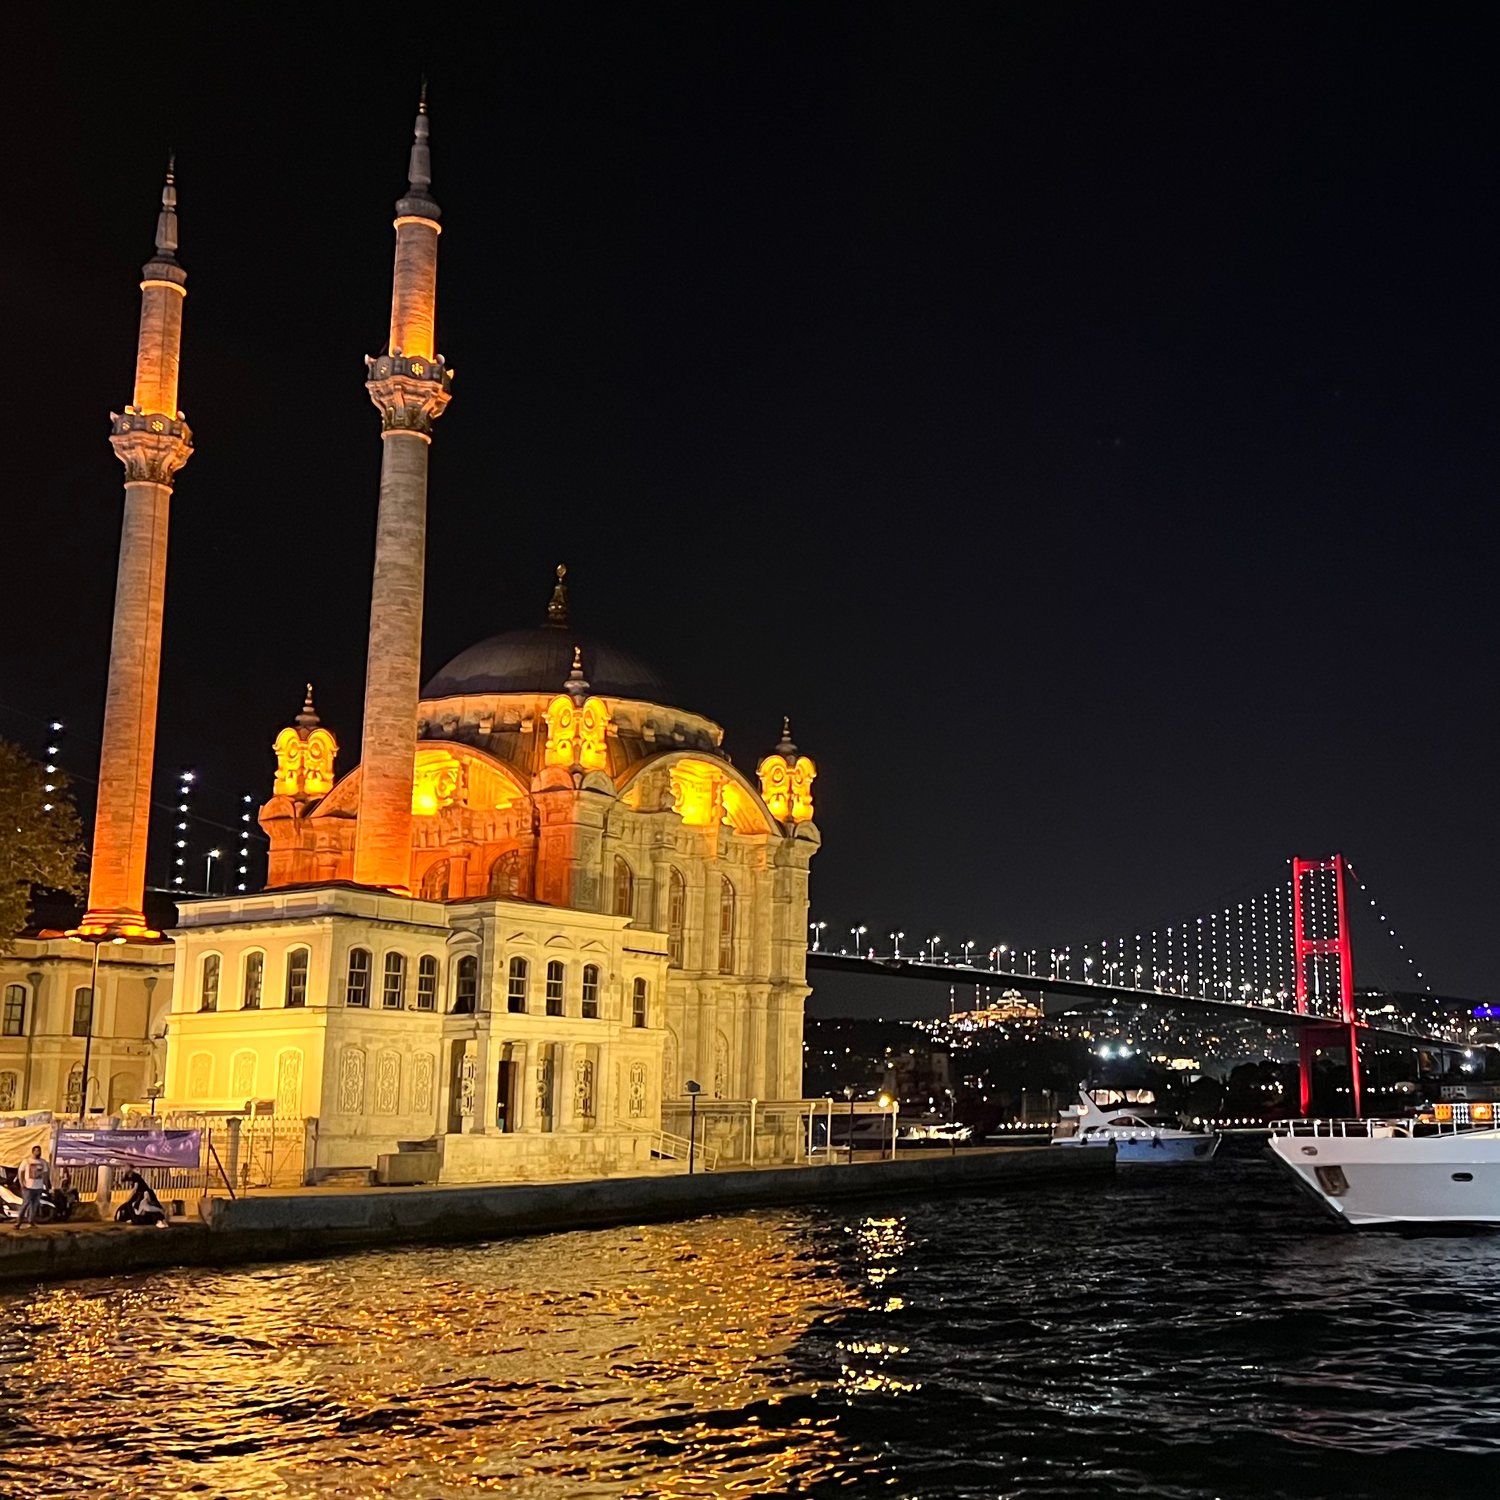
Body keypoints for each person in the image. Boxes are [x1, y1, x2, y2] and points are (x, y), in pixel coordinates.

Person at [16, 1145, 50, 1228]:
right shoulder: (26, 1161)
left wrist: (47, 1185)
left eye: (39, 1150)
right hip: (28, 1187)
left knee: (35, 1205)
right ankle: (18, 1222)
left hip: (38, 1187)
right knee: (25, 1204)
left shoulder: (43, 1162)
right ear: (33, 1152)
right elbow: (20, 1172)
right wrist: (22, 1183)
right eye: (36, 1150)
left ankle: (31, 1222)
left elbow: (45, 1175)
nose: (38, 1152)